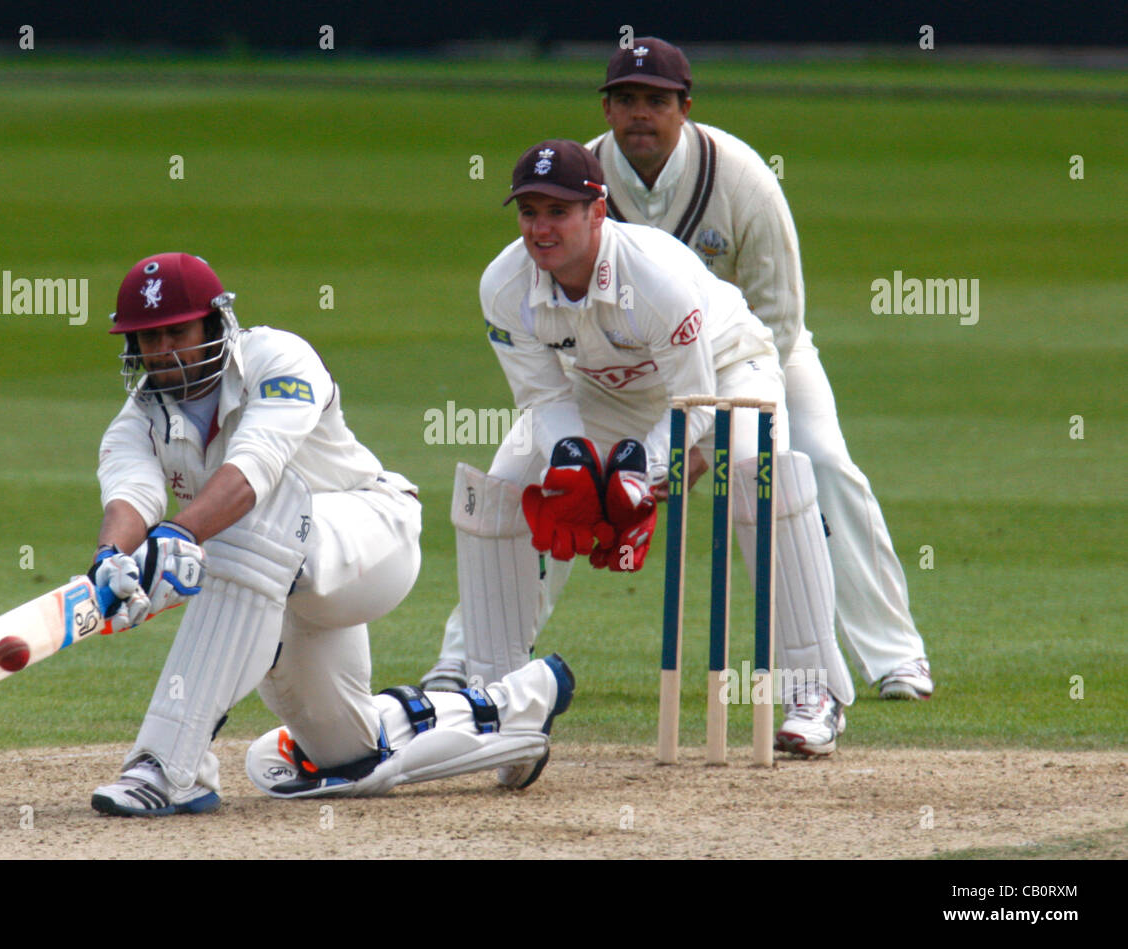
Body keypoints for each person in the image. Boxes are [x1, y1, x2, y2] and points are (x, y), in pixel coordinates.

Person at [86, 252, 575, 816]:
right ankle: (516, 704)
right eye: (148, 338)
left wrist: (174, 537)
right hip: (273, 582)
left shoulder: (279, 357)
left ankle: (166, 765)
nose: (164, 351)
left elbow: (253, 472)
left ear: (215, 323)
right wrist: (110, 561)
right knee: (348, 753)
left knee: (251, 523)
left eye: (177, 331)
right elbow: (131, 497)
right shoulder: (136, 418)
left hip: (369, 537)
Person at [421, 142, 854, 756]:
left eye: (558, 212)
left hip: (728, 373)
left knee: (766, 472)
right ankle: (493, 697)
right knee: (504, 483)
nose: (541, 229)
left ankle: (813, 693)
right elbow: (542, 401)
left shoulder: (654, 276)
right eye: (529, 213)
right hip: (604, 390)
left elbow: (695, 399)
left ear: (597, 211)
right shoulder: (504, 285)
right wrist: (575, 464)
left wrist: (637, 479)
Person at [580, 37, 933, 700]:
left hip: (756, 353)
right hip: (639, 368)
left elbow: (780, 321)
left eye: (656, 101)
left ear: (685, 108)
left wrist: (704, 434)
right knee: (558, 474)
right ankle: (483, 663)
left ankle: (895, 656)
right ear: (606, 108)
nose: (640, 115)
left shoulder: (741, 178)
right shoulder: (584, 182)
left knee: (821, 461)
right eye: (626, 100)